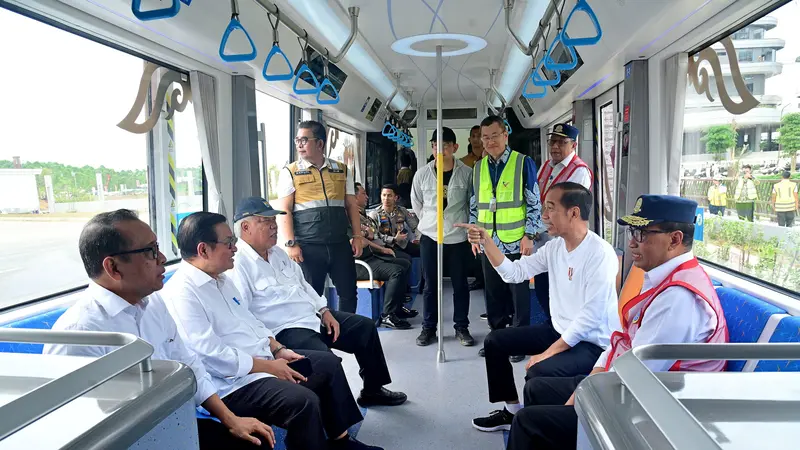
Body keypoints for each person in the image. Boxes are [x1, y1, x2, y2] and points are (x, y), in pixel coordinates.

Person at [504, 195, 729, 450]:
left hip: (662, 409)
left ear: (674, 239)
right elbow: (625, 340)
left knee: (527, 422)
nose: (631, 242)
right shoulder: (663, 278)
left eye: (642, 234)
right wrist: (595, 373)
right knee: (536, 388)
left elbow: (633, 376)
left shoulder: (678, 299)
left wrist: (585, 392)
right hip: (637, 385)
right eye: (633, 231)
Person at [43, 210, 275, 449]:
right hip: (132, 439)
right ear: (113, 267)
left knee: (254, 441)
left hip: (174, 421)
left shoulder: (153, 303)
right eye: (150, 251)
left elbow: (189, 364)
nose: (163, 258)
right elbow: (78, 429)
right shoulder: (79, 334)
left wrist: (230, 419)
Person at [162, 212, 382, 450]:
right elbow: (212, 356)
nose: (235, 248)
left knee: (327, 364)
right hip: (232, 383)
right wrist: (268, 366)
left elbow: (250, 320)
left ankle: (341, 441)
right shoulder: (183, 293)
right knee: (303, 402)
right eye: (228, 243)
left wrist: (278, 349)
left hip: (263, 359)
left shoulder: (221, 280)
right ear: (203, 250)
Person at [457, 182, 618, 433]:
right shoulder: (554, 248)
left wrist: (548, 353)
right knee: (495, 342)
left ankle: (544, 431)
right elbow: (514, 273)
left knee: (538, 371)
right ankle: (512, 412)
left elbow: (590, 317)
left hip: (591, 343)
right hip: (559, 329)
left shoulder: (599, 254)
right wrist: (488, 242)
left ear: (574, 213)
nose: (543, 216)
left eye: (550, 208)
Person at [229, 196, 408, 406]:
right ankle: (338, 431)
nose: (273, 226)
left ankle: (372, 390)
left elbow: (303, 285)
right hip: (284, 329)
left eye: (274, 221)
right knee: (327, 361)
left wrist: (324, 311)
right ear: (245, 227)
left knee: (364, 327)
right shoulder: (238, 265)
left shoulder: (277, 253)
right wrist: (273, 346)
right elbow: (243, 317)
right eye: (265, 221)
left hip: (311, 317)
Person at [470, 115, 546, 362]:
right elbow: (475, 205)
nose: (490, 141)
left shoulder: (522, 163)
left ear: (505, 135)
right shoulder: (478, 168)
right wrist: (474, 235)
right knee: (493, 293)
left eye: (494, 136)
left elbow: (535, 202)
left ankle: (519, 340)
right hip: (488, 241)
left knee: (518, 293)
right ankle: (498, 338)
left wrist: (529, 235)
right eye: (485, 137)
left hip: (515, 240)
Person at [273, 120, 366, 313]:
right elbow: (284, 210)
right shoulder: (290, 172)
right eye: (297, 139)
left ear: (320, 144)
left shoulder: (341, 169)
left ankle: (347, 338)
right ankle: (316, 339)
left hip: (340, 243)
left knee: (349, 292)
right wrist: (291, 243)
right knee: (310, 296)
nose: (299, 144)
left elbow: (351, 205)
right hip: (308, 246)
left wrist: (357, 236)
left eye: (304, 140)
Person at [411, 126, 475, 347]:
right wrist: (429, 224)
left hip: (457, 236)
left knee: (460, 284)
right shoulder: (422, 174)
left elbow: (471, 202)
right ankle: (429, 328)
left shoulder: (467, 173)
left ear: (455, 147)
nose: (441, 149)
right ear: (432, 147)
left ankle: (461, 327)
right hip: (430, 236)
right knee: (430, 285)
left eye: (446, 145)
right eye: (437, 145)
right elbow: (417, 203)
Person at [535, 123, 593, 321]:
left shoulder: (579, 171)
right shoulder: (546, 166)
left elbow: (569, 209)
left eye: (562, 142)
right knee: (543, 285)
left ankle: (562, 330)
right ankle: (551, 324)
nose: (555, 147)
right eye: (553, 141)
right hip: (543, 236)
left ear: (574, 145)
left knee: (563, 288)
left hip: (564, 239)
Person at [352, 184, 415, 328]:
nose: (367, 197)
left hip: (372, 255)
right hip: (360, 263)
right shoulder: (351, 218)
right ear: (354, 197)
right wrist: (369, 236)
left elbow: (371, 235)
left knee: (405, 263)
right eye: (363, 194)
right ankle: (387, 314)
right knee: (396, 271)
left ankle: (397, 307)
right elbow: (360, 239)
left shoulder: (362, 215)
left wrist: (381, 248)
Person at [369, 183, 421, 259]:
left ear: (395, 198)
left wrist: (418, 238)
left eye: (389, 195)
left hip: (402, 244)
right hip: (384, 246)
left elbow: (415, 226)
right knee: (406, 258)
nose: (386, 198)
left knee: (423, 251)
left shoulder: (402, 211)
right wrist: (393, 239)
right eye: (384, 195)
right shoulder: (374, 214)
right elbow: (375, 236)